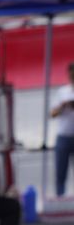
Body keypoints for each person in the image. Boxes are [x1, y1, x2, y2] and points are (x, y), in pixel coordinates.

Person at [50, 61, 74, 199]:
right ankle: (60, 197)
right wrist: (63, 106)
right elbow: (52, 114)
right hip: (64, 135)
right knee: (60, 171)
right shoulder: (62, 92)